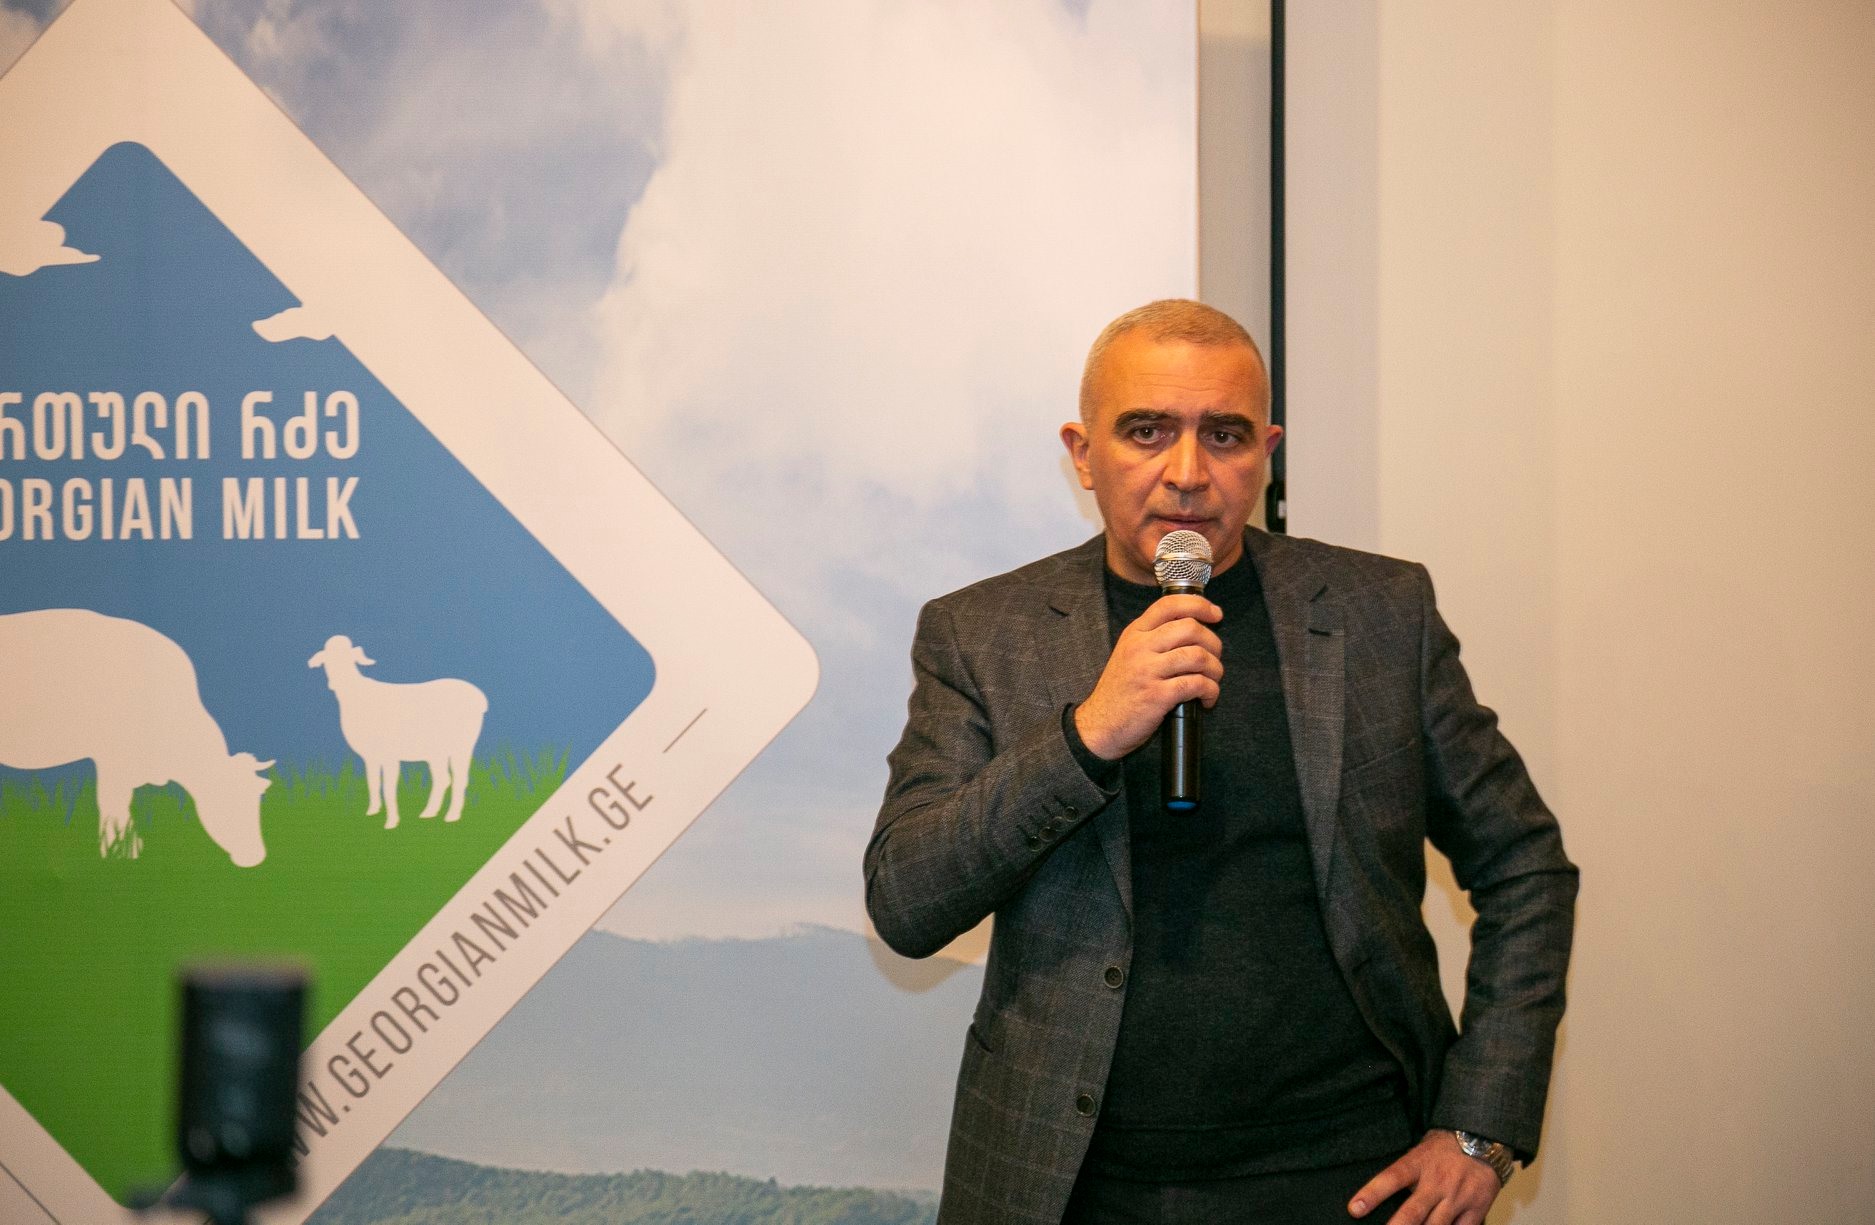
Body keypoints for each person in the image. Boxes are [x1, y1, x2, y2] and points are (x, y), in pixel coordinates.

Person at [864, 300, 1577, 1225]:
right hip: (1074, 1184)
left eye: (1225, 434)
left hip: (1350, 1175)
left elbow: (1523, 863)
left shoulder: (1378, 611)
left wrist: (1479, 1126)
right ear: (1082, 452)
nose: (1187, 472)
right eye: (1146, 431)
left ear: (1265, 451)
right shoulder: (979, 633)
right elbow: (907, 902)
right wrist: (1087, 733)